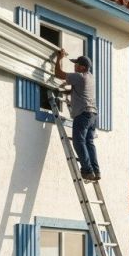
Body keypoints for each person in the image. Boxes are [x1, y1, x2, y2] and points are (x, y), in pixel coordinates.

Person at [54, 49, 100, 181]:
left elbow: (58, 73)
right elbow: (80, 91)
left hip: (83, 114)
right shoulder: (90, 77)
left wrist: (59, 58)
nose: (74, 66)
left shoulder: (79, 76)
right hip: (92, 115)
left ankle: (87, 170)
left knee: (79, 142)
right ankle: (96, 171)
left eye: (76, 64)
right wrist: (67, 92)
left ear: (83, 67)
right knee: (89, 143)